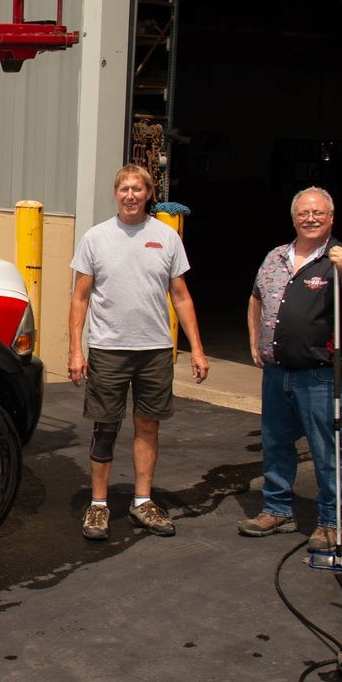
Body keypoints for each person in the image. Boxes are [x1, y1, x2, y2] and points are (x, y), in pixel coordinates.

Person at [67, 164, 209, 541]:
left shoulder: (167, 237)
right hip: (108, 348)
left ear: (149, 194)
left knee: (148, 425)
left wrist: (196, 349)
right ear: (115, 194)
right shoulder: (95, 238)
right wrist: (75, 351)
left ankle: (142, 501)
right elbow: (79, 298)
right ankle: (98, 506)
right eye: (124, 189)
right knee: (106, 428)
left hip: (155, 350)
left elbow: (181, 295)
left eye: (138, 189)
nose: (130, 195)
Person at [238, 187, 342, 550]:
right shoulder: (275, 257)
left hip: (321, 375)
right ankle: (277, 510)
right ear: (294, 218)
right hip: (276, 372)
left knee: (327, 450)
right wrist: (256, 340)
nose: (311, 218)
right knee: (276, 444)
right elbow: (256, 297)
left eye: (318, 212)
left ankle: (331, 522)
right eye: (303, 213)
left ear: (331, 217)